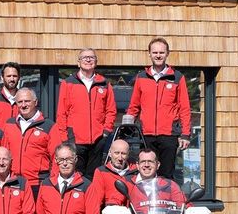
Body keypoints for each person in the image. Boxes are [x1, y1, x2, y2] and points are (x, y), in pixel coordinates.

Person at [127, 37, 192, 180]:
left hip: (169, 135)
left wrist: (185, 134)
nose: (158, 55)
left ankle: (166, 195)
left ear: (167, 53)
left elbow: (184, 108)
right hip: (146, 134)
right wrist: (126, 129)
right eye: (155, 52)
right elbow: (134, 106)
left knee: (166, 175)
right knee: (146, 173)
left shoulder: (177, 77)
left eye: (161, 52)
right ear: (149, 54)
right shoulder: (141, 77)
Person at [55, 48, 118, 175]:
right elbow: (62, 113)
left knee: (94, 176)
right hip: (75, 140)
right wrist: (65, 138)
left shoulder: (104, 83)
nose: (88, 60)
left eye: (91, 57)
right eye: (84, 57)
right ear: (78, 62)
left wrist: (106, 132)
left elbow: (111, 110)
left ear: (96, 62)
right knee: (76, 177)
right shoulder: (68, 83)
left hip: (98, 140)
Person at [0, 88, 56, 194]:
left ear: (35, 102)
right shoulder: (9, 124)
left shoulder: (49, 126)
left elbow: (56, 157)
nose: (23, 105)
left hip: (38, 183)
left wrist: (53, 182)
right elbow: (4, 152)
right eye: (20, 102)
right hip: (13, 181)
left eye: (27, 101)